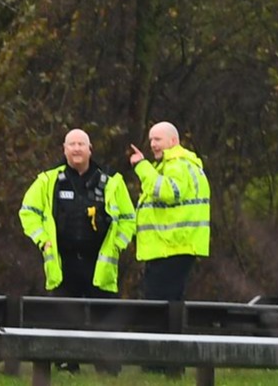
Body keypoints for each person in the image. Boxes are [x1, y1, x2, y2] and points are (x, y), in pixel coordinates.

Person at [19, 128, 136, 341]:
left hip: (99, 261)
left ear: (90, 149)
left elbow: (129, 218)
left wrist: (118, 244)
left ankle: (107, 366)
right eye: (71, 144)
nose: (76, 148)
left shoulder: (111, 182)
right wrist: (42, 240)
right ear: (64, 150)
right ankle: (66, 362)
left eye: (81, 144)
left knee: (105, 315)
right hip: (64, 261)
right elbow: (28, 212)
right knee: (64, 316)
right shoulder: (48, 181)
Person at [127, 121, 211, 304]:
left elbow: (168, 192)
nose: (152, 144)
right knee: (169, 305)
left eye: (158, 139)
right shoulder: (173, 165)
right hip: (172, 245)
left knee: (158, 305)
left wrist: (142, 166)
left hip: (172, 245)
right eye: (151, 140)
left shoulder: (177, 164)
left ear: (173, 141)